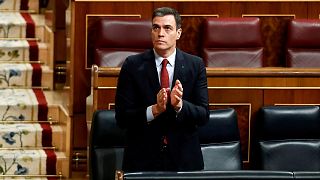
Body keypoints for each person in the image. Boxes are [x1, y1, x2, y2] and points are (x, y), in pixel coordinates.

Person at [115, 7, 209, 172]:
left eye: (167, 28)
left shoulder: (195, 65)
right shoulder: (132, 65)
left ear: (178, 33)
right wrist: (155, 109)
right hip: (142, 160)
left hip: (184, 160)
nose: (160, 33)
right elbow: (122, 118)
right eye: (156, 27)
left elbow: (203, 115)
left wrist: (179, 105)